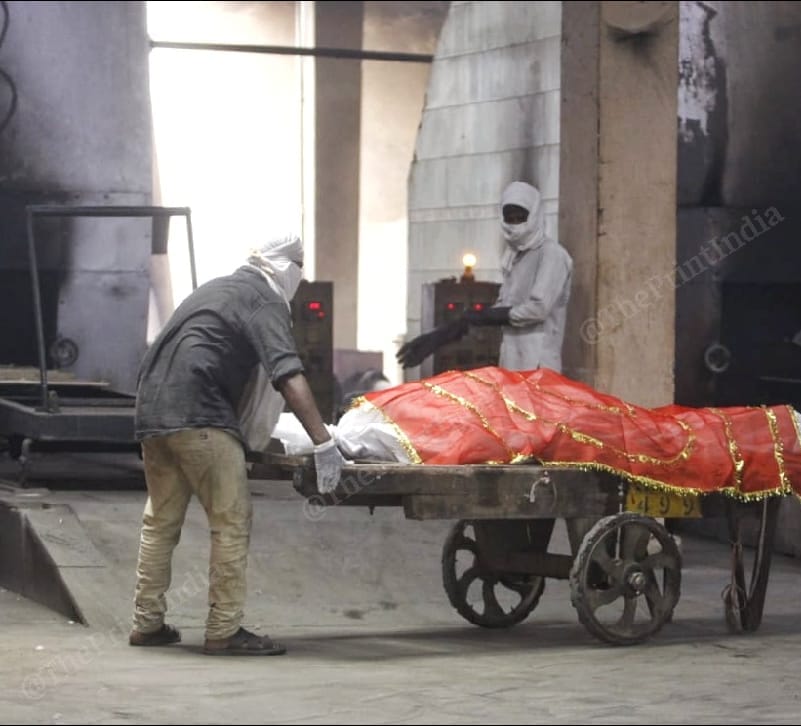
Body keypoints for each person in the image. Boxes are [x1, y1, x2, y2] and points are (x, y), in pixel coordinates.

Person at [128, 234, 345, 656]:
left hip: (152, 414)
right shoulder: (264, 299)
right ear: (287, 268)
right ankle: (224, 630)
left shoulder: (216, 289)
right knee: (231, 520)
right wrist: (323, 442)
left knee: (160, 522)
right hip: (201, 416)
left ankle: (146, 623)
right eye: (300, 269)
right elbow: (287, 373)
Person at [397, 181, 573, 372]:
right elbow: (504, 306)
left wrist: (485, 316)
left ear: (534, 215)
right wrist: (451, 329)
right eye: (510, 218)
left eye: (520, 218)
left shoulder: (552, 255)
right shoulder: (514, 256)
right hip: (512, 363)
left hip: (540, 365)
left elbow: (537, 309)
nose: (515, 225)